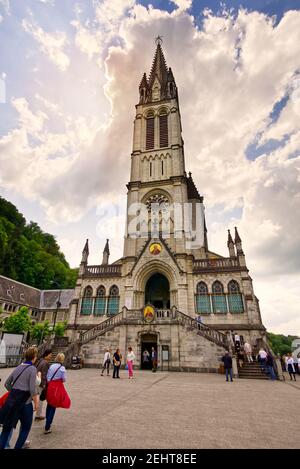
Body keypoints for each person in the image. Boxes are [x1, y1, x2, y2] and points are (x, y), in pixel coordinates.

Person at [0, 347, 39, 450]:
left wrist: (14, 392)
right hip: (25, 403)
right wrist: (36, 402)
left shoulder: (18, 367)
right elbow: (32, 388)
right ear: (34, 357)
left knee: (6, 428)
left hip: (12, 402)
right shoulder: (32, 369)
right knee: (25, 428)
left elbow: (7, 383)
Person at [44, 353, 70, 434]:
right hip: (56, 388)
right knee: (53, 406)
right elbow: (64, 379)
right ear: (62, 359)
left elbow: (48, 377)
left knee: (49, 404)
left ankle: (47, 421)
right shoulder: (62, 368)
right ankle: (47, 426)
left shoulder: (51, 366)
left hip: (50, 386)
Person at [35, 349, 52, 421]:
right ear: (47, 355)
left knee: (37, 398)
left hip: (37, 381)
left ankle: (38, 414)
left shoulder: (40, 361)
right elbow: (44, 375)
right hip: (41, 382)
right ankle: (38, 415)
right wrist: (44, 384)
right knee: (41, 399)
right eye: (50, 355)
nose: (51, 356)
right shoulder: (45, 363)